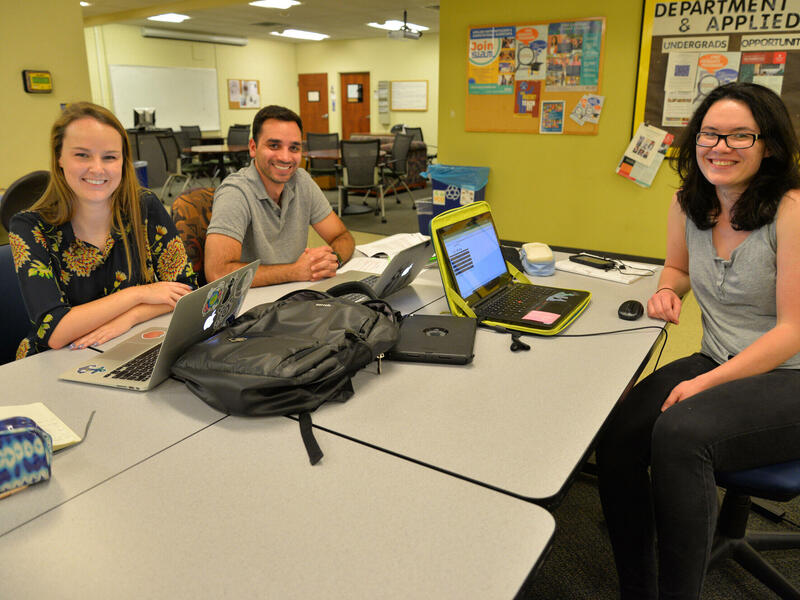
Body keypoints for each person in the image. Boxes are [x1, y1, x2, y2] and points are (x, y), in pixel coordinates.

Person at [596, 82, 800, 599]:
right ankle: (637, 585)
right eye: (711, 133)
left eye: (740, 136)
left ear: (768, 146)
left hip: (788, 371)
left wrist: (707, 382)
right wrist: (668, 290)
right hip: (719, 355)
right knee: (618, 434)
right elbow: (677, 266)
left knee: (681, 433)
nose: (720, 147)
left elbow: (791, 331)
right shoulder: (689, 202)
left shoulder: (791, 210)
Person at [9, 102, 197, 360]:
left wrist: (129, 318)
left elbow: (185, 290)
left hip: (131, 344)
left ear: (122, 161)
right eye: (82, 155)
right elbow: (54, 330)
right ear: (59, 157)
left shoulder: (145, 206)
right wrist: (139, 294)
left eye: (110, 157)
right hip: (55, 360)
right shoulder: (29, 227)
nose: (97, 168)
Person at [204, 105, 354, 287]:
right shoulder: (236, 193)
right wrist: (294, 271)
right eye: (274, 145)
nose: (285, 157)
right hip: (252, 303)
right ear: (253, 147)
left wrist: (331, 261)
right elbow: (217, 272)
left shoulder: (302, 181)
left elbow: (342, 236)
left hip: (295, 292)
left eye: (294, 148)